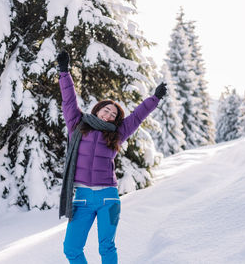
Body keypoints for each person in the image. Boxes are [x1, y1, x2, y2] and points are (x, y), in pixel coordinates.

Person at [57, 50, 167, 264]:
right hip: (82, 199)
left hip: (108, 197)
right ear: (98, 110)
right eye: (106, 110)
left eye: (113, 114)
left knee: (106, 247)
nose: (109, 115)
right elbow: (69, 101)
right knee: (71, 248)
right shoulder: (77, 125)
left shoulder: (117, 133)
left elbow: (137, 116)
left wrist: (155, 98)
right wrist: (64, 72)